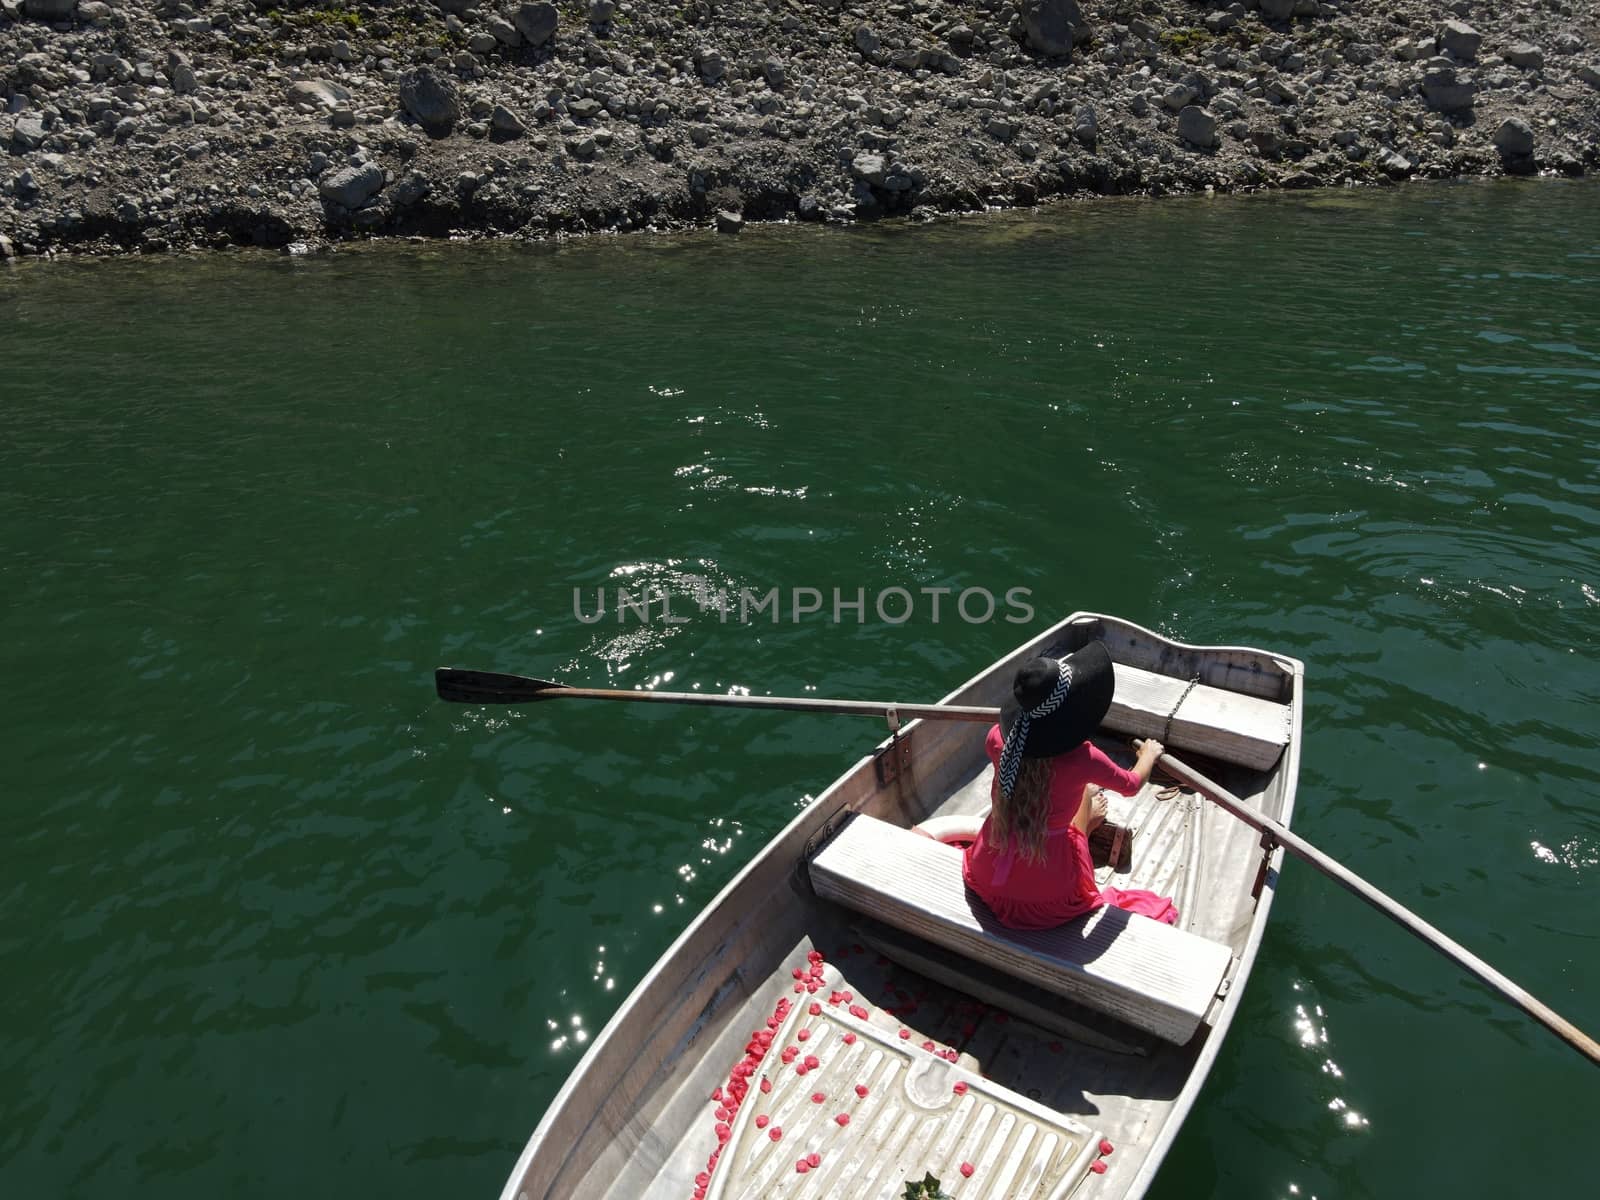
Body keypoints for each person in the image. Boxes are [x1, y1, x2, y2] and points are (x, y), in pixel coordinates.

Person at [961, 641, 1179, 930]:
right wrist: (1148, 755)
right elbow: (1131, 784)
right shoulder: (1083, 759)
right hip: (1049, 894)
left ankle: (1085, 813)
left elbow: (1029, 779)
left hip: (985, 874)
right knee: (1083, 794)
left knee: (1070, 795)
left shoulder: (997, 739)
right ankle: (1086, 825)